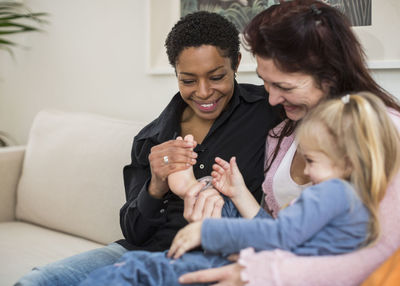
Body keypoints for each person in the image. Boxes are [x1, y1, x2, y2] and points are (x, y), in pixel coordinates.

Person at [14, 11, 280, 286]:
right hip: (138, 252)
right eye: (188, 80)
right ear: (176, 73)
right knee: (38, 281)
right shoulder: (151, 138)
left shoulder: (268, 109)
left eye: (216, 77)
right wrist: (156, 184)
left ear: (236, 63)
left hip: (210, 257)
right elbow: (134, 232)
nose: (203, 92)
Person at [178, 1, 400, 285]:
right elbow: (283, 235)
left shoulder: (383, 130)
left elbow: (384, 253)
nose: (271, 99)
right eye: (266, 83)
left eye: (284, 87)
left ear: (330, 76)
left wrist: (263, 272)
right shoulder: (283, 133)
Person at [79, 91, 400, 286]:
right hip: (264, 260)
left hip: (254, 269)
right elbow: (282, 238)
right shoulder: (353, 199)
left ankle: (194, 190)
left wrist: (207, 233)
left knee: (138, 270)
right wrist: (241, 193)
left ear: (347, 162)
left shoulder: (332, 193)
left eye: (312, 160)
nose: (308, 172)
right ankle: (196, 189)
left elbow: (279, 237)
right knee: (144, 264)